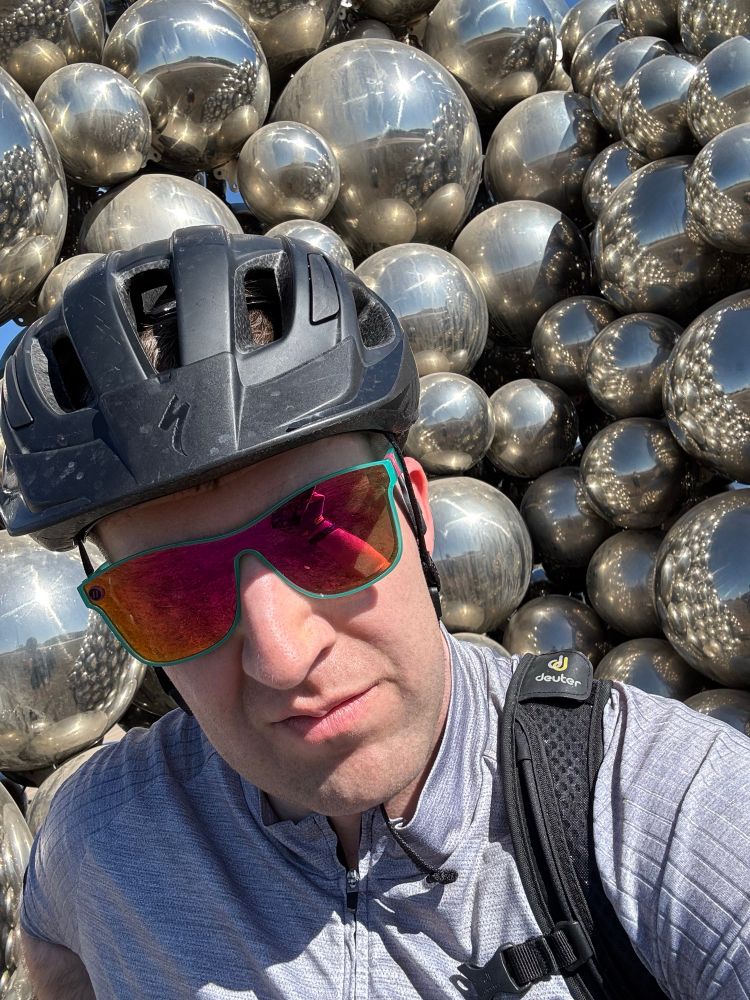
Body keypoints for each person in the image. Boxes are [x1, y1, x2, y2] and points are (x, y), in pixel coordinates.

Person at [3, 227, 748, 1000]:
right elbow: (53, 950)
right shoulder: (103, 834)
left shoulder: (654, 805)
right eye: (170, 592)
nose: (281, 657)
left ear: (416, 514)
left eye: (326, 530)